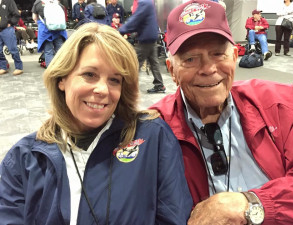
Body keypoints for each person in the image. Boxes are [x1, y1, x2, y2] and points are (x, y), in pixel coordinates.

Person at [0, 22, 192, 224]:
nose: (102, 90)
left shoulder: (153, 137)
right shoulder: (25, 159)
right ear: (62, 78)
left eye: (114, 80)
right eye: (89, 75)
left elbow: (174, 216)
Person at [150, 1, 293, 224]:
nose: (209, 69)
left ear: (234, 58)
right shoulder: (155, 129)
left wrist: (249, 204)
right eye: (191, 59)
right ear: (172, 71)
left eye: (218, 54)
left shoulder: (277, 103)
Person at [119, 0, 166, 94]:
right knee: (154, 63)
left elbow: (136, 19)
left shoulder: (144, 2)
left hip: (146, 38)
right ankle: (159, 85)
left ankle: (128, 88)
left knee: (134, 62)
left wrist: (121, 30)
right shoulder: (149, 2)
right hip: (151, 36)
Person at [32, 0, 68, 68]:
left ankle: (50, 71)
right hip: (58, 30)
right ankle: (61, 69)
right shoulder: (57, 2)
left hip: (46, 31)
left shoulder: (38, 2)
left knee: (48, 52)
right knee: (59, 51)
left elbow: (34, 17)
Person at [0, 0, 23, 76]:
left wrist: (10, 23)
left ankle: (19, 67)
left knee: (12, 49)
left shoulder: (9, 1)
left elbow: (16, 14)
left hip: (7, 29)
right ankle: (3, 67)